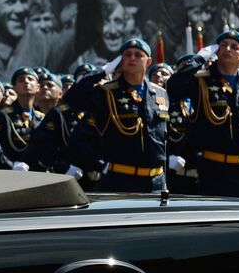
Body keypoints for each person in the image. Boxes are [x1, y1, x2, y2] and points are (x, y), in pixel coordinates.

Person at [165, 31, 239, 198]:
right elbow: (173, 85)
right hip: (215, 168)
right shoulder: (201, 80)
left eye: (234, 47)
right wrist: (199, 59)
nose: (228, 49)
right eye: (223, 45)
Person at [69, 39, 171, 194]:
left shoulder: (160, 93)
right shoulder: (105, 93)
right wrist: (104, 70)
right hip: (122, 178)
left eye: (138, 55)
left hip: (156, 181)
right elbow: (73, 97)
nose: (132, 58)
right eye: (127, 55)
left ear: (148, 61)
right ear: (120, 61)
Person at [0, 67, 43, 170]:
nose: (26, 82)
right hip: (11, 175)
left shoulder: (41, 118)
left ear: (38, 87)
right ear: (14, 88)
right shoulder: (3, 116)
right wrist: (10, 165)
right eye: (21, 80)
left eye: (30, 79)